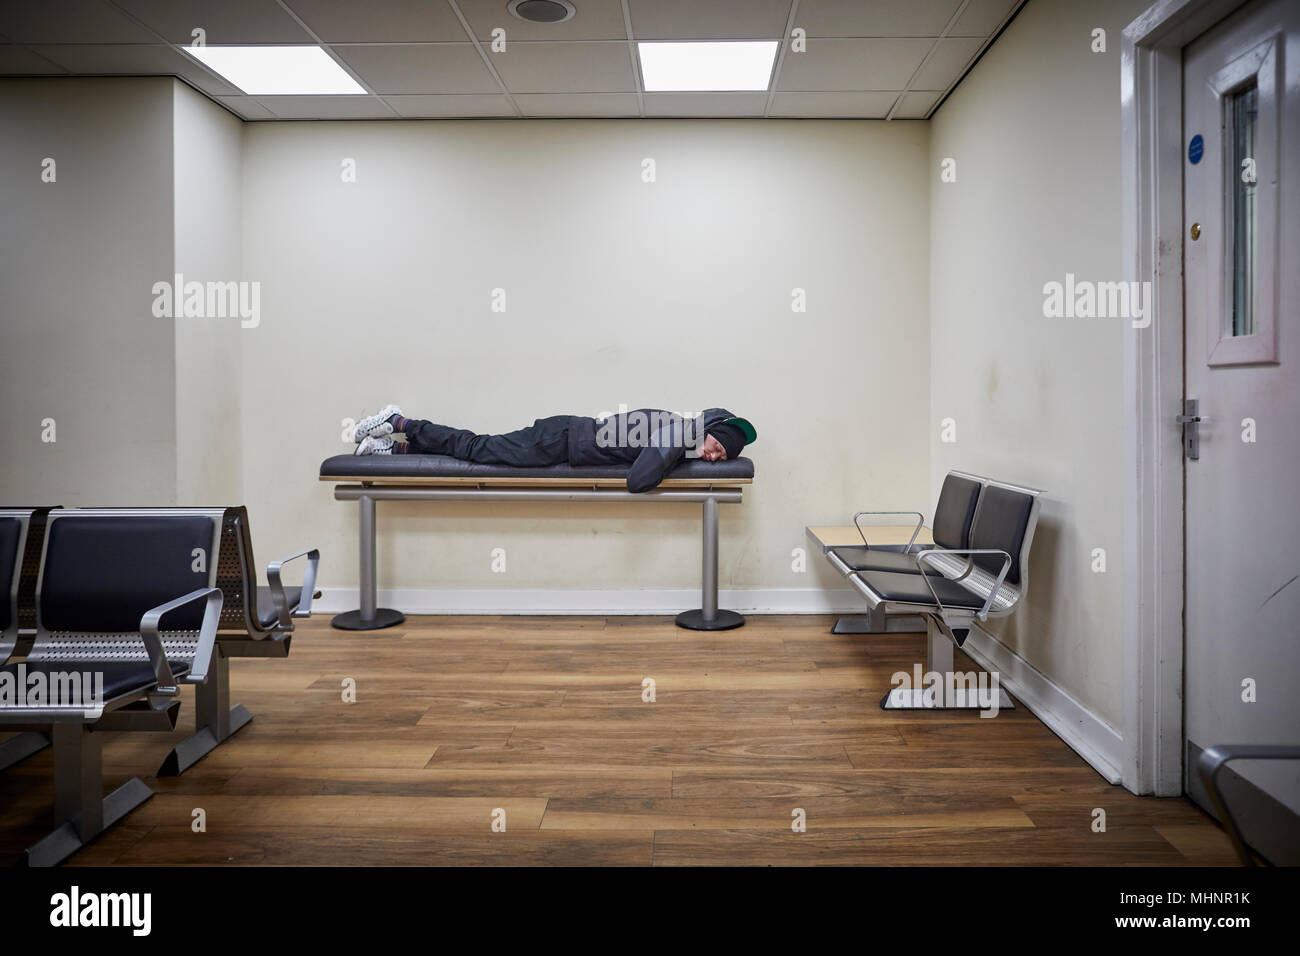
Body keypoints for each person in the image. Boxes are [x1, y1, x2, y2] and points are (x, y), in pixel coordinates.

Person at [349, 404, 756, 494]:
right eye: (716, 446)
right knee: (476, 448)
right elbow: (638, 481)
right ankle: (403, 422)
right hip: (556, 442)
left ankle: (393, 450)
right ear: (707, 431)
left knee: (477, 449)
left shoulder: (683, 430)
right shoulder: (680, 433)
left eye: (721, 457)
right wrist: (673, 455)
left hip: (564, 440)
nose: (713, 457)